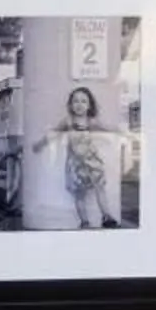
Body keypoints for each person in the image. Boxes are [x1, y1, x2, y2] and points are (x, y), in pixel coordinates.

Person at [33, 84, 133, 230]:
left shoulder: (91, 122)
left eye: (83, 101)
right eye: (76, 101)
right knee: (79, 195)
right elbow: (54, 133)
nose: (79, 105)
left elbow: (107, 128)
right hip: (75, 164)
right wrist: (40, 144)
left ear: (89, 105)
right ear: (70, 105)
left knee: (100, 188)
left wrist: (123, 132)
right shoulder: (67, 121)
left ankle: (107, 215)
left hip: (92, 161)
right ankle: (84, 221)